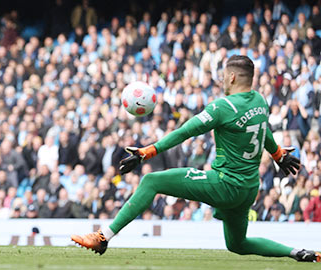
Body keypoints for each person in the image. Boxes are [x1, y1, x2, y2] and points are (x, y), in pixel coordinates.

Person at [71, 55, 320, 262]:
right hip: (248, 189)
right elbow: (263, 131)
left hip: (225, 184)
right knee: (238, 244)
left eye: (224, 75)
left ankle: (103, 237)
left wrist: (149, 151)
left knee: (151, 181)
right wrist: (277, 154)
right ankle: (297, 253)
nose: (222, 79)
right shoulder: (260, 101)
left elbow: (185, 132)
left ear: (232, 77)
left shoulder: (223, 107)